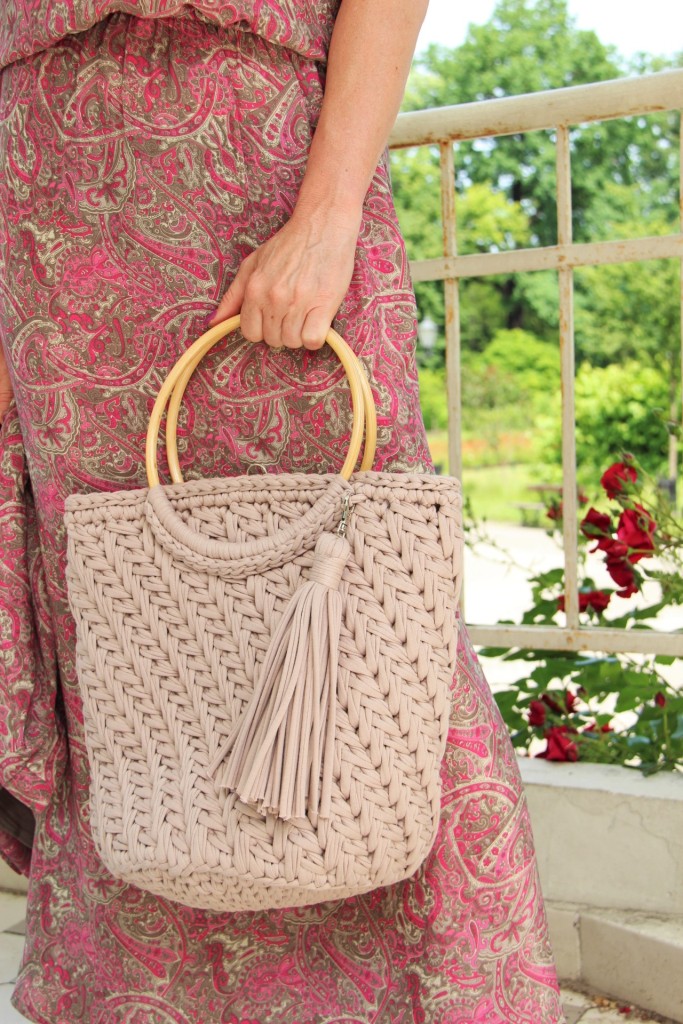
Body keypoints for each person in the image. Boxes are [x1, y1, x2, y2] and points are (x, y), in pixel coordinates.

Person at [0, 2, 566, 1021]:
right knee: (125, 644)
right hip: (49, 213)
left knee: (363, 596)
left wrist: (329, 213)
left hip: (262, 169)